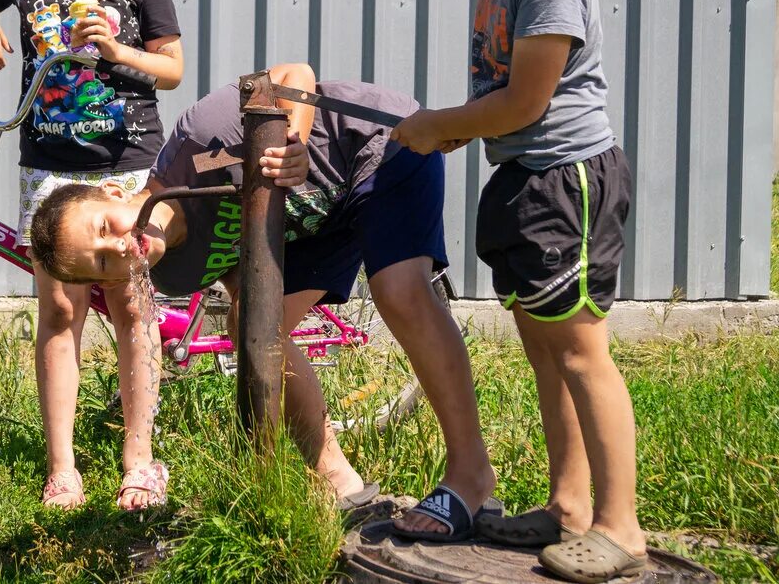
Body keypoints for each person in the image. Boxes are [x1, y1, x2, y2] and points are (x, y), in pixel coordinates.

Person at [28, 63, 497, 525]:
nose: (119, 245)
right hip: (323, 220)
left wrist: (294, 141)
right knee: (253, 325)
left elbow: (296, 74)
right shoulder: (172, 274)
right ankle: (341, 484)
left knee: (399, 292)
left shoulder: (197, 141)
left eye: (105, 227)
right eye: (106, 263)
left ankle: (471, 472)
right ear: (111, 284)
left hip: (377, 147)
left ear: (113, 191)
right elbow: (246, 274)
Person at [394, 0, 645, 582]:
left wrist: (443, 127)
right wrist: (464, 129)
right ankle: (570, 506)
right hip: (527, 177)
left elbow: (526, 102)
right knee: (544, 350)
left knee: (579, 350)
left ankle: (622, 525)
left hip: (563, 178)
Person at [0, 0, 184, 511]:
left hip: (127, 164)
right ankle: (63, 467)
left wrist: (118, 50)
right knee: (60, 309)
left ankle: (139, 459)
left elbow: (171, 69)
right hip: (50, 166)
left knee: (130, 305)